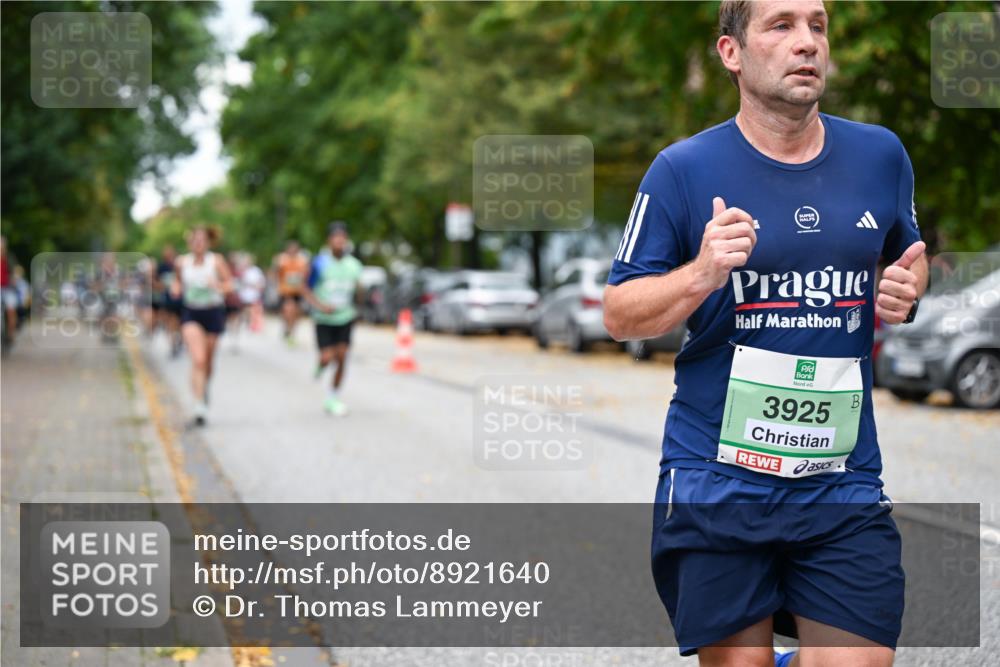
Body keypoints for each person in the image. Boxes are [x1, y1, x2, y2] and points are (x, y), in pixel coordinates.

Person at [602, 2, 928, 666]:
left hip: (841, 479)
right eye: (780, 26)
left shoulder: (880, 156)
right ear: (731, 53)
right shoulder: (681, 171)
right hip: (717, 480)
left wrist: (907, 291)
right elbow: (619, 313)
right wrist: (700, 272)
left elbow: (909, 260)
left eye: (818, 26)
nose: (806, 42)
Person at [171, 227, 233, 426]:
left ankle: (204, 388)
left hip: (213, 312)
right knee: (198, 359)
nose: (198, 243)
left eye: (202, 240)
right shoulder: (182, 262)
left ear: (208, 243)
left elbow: (230, 284)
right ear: (190, 243)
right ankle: (198, 405)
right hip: (191, 313)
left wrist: (218, 286)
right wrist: (176, 289)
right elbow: (177, 283)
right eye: (195, 240)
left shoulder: (216, 261)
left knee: (208, 362)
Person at [303, 222, 363, 416]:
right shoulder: (319, 263)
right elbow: (305, 288)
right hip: (324, 318)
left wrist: (360, 301)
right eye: (336, 237)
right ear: (329, 240)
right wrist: (320, 306)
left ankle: (333, 397)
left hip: (345, 317)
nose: (339, 241)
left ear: (346, 240)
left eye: (342, 237)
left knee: (342, 357)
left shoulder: (354, 265)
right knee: (327, 357)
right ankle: (320, 366)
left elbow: (358, 290)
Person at [272, 239, 310, 345]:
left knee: (296, 312)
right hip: (285, 290)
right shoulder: (281, 259)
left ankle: (292, 330)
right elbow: (276, 272)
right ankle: (287, 327)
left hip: (297, 291)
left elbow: (306, 274)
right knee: (288, 310)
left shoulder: (302, 260)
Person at [154, 245, 183, 357]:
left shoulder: (179, 265)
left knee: (180, 321)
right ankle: (172, 343)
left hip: (180, 299)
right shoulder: (161, 267)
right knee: (169, 321)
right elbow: (155, 282)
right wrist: (162, 286)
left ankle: (178, 338)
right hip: (167, 298)